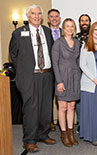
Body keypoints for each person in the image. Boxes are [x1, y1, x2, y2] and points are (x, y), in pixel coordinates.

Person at [9, 4, 56, 152]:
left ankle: (43, 134)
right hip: (30, 77)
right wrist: (23, 70)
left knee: (46, 108)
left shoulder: (47, 32)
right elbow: (13, 54)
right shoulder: (18, 33)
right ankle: (29, 140)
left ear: (42, 17)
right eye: (33, 14)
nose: (36, 16)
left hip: (47, 75)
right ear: (28, 16)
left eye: (39, 14)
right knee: (31, 109)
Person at [52, 18, 81, 147]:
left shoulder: (77, 42)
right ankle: (63, 133)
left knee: (72, 107)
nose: (70, 28)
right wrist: (59, 81)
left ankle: (71, 133)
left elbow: (79, 62)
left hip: (75, 77)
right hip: (62, 77)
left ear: (74, 28)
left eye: (72, 26)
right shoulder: (58, 43)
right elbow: (55, 63)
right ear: (64, 28)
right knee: (62, 107)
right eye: (67, 26)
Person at [75, 14, 92, 133]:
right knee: (79, 100)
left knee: (91, 99)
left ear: (90, 22)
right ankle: (81, 123)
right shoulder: (75, 37)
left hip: (92, 73)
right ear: (79, 23)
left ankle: (92, 122)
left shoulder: (94, 37)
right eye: (82, 21)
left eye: (86, 20)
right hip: (77, 72)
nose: (84, 22)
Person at [47, 8, 61, 132]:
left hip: (63, 70)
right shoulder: (44, 33)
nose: (54, 19)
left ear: (60, 18)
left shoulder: (65, 32)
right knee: (49, 97)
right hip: (49, 71)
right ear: (48, 19)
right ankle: (50, 121)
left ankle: (62, 121)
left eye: (56, 16)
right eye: (51, 16)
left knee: (62, 96)